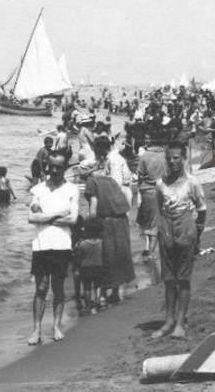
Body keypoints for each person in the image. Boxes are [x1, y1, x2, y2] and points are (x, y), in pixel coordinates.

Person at [152, 142, 208, 339]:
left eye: (176, 157)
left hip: (186, 229)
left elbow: (202, 209)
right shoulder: (161, 184)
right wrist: (162, 231)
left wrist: (197, 235)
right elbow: (160, 208)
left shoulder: (192, 182)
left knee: (183, 279)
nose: (172, 161)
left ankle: (181, 322)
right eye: (169, 158)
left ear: (183, 158)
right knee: (168, 279)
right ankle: (168, 321)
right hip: (166, 230)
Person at [26, 155, 79, 345]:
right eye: (51, 167)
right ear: (47, 167)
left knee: (57, 288)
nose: (54, 170)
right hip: (40, 244)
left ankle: (56, 326)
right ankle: (36, 329)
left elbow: (72, 220)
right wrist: (57, 214)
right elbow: (31, 218)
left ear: (64, 168)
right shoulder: (38, 189)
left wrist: (44, 217)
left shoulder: (72, 189)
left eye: (58, 167)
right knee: (40, 288)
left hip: (62, 244)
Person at [85, 137, 136, 304]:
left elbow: (109, 190)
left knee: (108, 255)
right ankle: (116, 291)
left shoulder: (109, 165)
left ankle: (105, 293)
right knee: (120, 252)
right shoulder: (115, 160)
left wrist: (89, 224)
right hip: (121, 209)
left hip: (112, 210)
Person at [133, 133, 167, 259]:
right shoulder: (166, 155)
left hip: (148, 191)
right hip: (165, 190)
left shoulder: (144, 156)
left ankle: (151, 253)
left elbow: (139, 175)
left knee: (151, 223)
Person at [73, 218, 104, 314]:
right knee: (98, 285)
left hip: (86, 268)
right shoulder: (101, 242)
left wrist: (77, 269)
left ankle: (87, 305)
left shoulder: (82, 244)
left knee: (87, 287)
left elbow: (78, 257)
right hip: (98, 266)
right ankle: (98, 301)